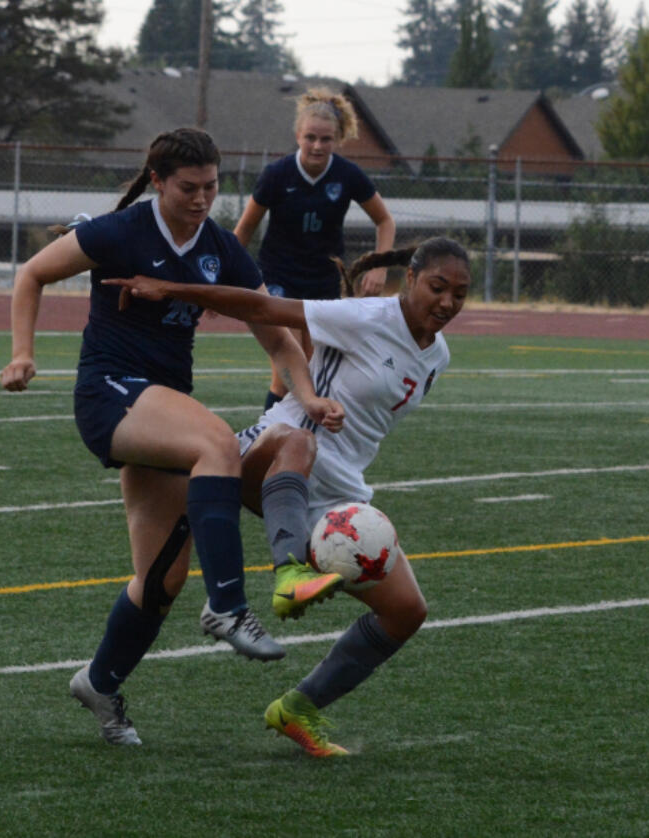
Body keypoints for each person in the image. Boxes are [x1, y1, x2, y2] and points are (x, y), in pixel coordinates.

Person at [0, 127, 345, 747]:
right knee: (213, 440)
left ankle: (100, 685)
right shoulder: (119, 232)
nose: (202, 198)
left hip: (160, 407)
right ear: (158, 181)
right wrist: (23, 354)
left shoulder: (220, 247)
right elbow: (31, 275)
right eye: (189, 187)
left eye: (211, 187)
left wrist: (308, 390)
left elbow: (274, 330)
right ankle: (228, 605)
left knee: (158, 581)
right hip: (110, 393)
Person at [106, 236, 472, 757]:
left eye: (459, 294)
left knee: (407, 612)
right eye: (438, 287)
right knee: (301, 439)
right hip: (276, 449)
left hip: (338, 490)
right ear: (410, 278)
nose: (447, 303)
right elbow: (262, 309)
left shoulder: (438, 356)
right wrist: (171, 289)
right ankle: (288, 571)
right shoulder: (365, 316)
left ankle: (298, 709)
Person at [233, 87, 396, 412]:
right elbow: (244, 230)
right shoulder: (277, 175)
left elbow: (385, 221)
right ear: (297, 136)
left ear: (337, 140)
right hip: (279, 278)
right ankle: (267, 439)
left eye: (325, 139)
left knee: (313, 367)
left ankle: (297, 437)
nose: (317, 145)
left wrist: (379, 266)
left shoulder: (347, 175)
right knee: (288, 368)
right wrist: (222, 278)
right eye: (310, 138)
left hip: (324, 282)